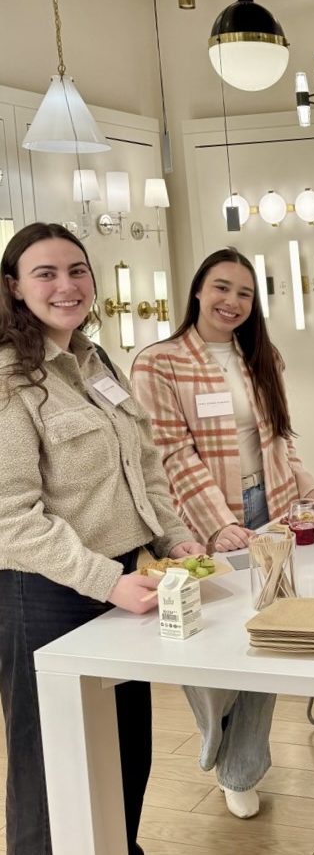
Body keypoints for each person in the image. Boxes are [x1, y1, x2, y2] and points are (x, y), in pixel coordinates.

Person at [0, 222, 205, 855]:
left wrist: (172, 538)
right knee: (51, 763)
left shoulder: (94, 362)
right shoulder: (9, 380)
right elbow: (9, 519)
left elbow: (145, 464)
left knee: (124, 746)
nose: (67, 286)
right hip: (44, 594)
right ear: (14, 287)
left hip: (123, 580)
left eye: (78, 270)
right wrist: (104, 581)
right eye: (46, 273)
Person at [132, 247, 314, 819]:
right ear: (197, 291)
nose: (232, 301)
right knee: (207, 640)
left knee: (267, 633)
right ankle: (216, 727)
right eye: (221, 288)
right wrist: (218, 523)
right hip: (197, 519)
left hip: (269, 510)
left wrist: (309, 490)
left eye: (245, 293)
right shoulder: (159, 363)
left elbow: (280, 439)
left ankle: (240, 764)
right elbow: (171, 455)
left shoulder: (263, 356)